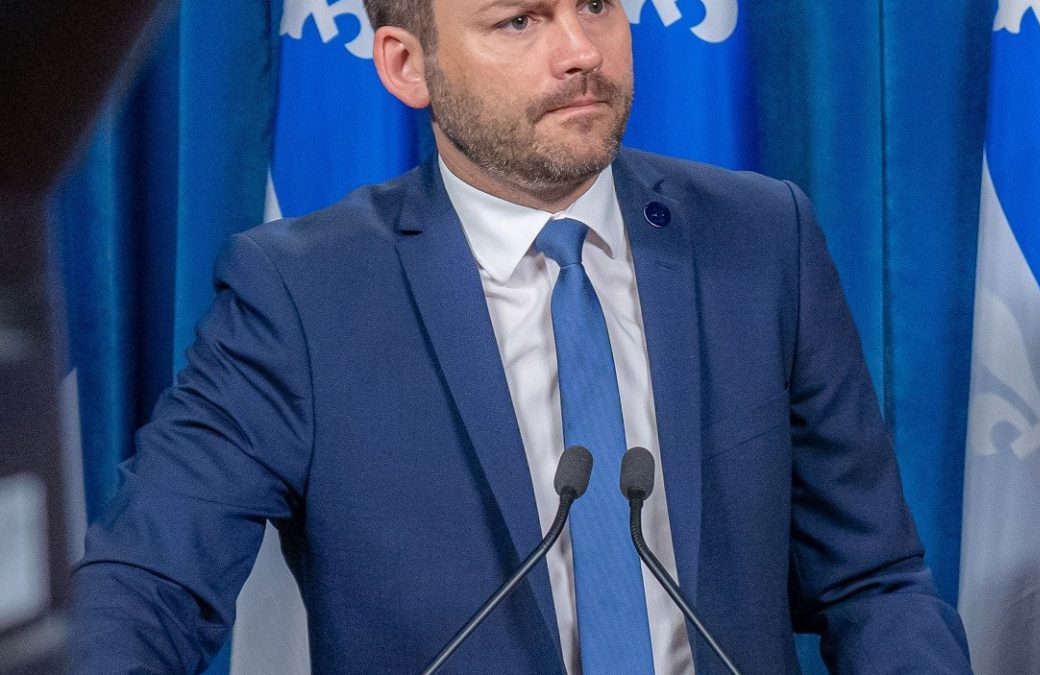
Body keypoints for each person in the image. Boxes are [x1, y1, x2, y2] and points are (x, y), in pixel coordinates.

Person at [72, 0, 973, 673]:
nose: (581, 51)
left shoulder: (763, 237)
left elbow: (872, 583)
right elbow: (148, 584)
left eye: (596, 4)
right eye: (520, 20)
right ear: (407, 65)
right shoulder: (302, 296)